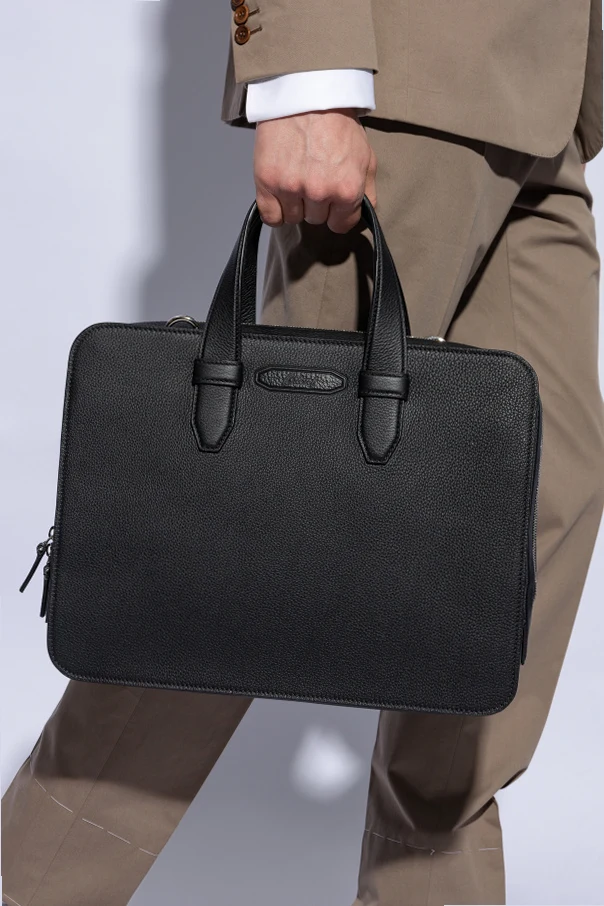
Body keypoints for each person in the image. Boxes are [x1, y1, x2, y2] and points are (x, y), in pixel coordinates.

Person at [2, 1, 603, 904]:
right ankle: (39, 881)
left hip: (544, 100)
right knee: (249, 552)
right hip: (402, 80)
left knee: (522, 541)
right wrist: (305, 78)